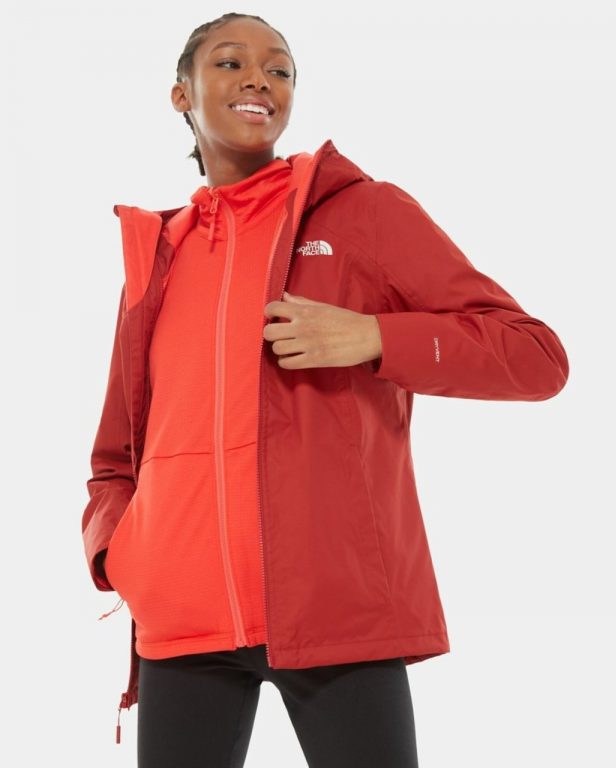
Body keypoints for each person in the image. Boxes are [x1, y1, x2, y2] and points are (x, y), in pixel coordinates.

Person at [81, 12, 569, 768]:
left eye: (279, 69)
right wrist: (119, 554)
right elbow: (117, 454)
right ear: (181, 94)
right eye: (230, 63)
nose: (258, 78)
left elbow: (536, 357)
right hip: (181, 621)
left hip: (335, 611)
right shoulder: (160, 257)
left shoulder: (361, 213)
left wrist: (375, 337)